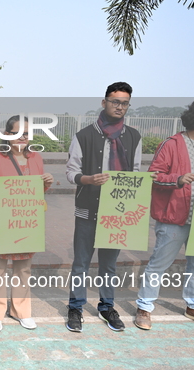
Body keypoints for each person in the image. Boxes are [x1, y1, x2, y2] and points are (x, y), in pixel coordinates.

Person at [135, 99, 194, 330]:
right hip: (174, 217)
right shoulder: (172, 144)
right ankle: (144, 307)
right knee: (159, 264)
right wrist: (178, 179)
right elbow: (154, 174)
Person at [65, 82, 142, 332]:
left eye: (124, 103)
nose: (119, 106)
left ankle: (106, 306)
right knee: (81, 263)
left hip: (117, 213)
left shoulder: (133, 136)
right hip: (88, 209)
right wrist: (87, 179)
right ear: (104, 102)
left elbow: (137, 172)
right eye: (115, 101)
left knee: (109, 265)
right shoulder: (84, 135)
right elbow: (71, 172)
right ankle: (75, 307)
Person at [0, 115, 53, 332]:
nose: (22, 138)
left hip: (25, 224)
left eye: (26, 134)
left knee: (23, 269)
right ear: (7, 135)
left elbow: (35, 194)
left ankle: (21, 311)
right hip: (0, 225)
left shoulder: (36, 158)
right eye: (17, 133)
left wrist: (45, 184)